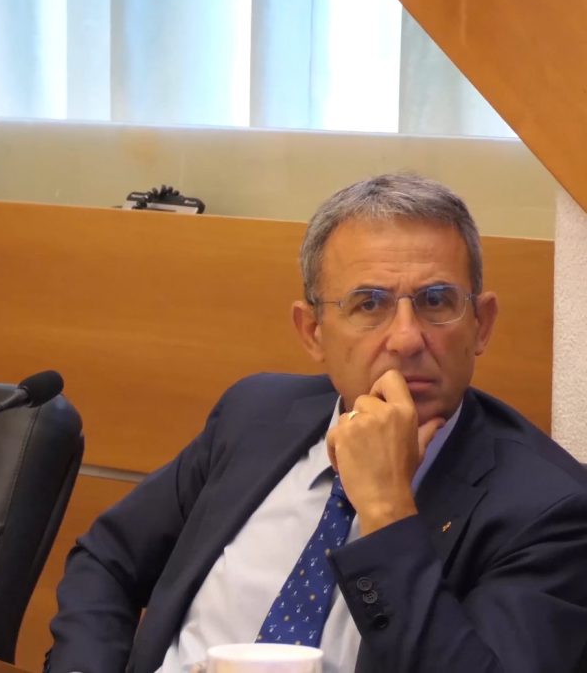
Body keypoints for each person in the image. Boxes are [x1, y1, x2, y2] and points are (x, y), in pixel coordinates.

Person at [46, 174, 587, 673]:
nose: (406, 339)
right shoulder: (255, 415)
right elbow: (107, 559)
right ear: (313, 332)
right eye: (369, 304)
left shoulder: (548, 510)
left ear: (481, 325)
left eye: (436, 301)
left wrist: (386, 511)